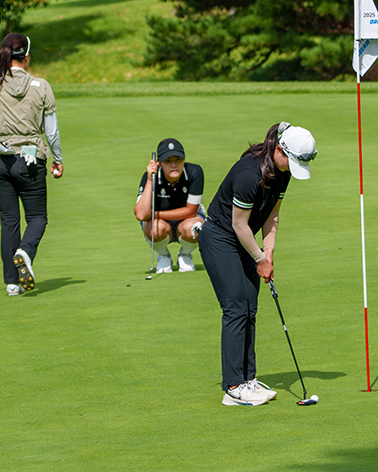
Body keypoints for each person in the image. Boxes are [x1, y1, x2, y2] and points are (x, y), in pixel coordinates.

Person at [199, 121, 317, 406]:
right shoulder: (249, 174)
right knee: (235, 308)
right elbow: (238, 225)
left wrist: (269, 250)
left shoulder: (283, 172)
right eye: (291, 161)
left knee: (250, 307)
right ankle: (233, 388)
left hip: (246, 241)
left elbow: (272, 215)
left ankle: (248, 380)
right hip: (220, 237)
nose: (292, 168)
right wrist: (260, 259)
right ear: (279, 150)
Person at [0, 32, 64, 296]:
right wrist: (58, 158)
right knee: (37, 217)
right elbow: (51, 132)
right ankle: (25, 252)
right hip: (30, 158)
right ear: (26, 56)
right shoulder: (42, 86)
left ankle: (12, 284)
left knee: (9, 220)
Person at [134, 137, 205, 273]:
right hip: (161, 224)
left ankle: (185, 255)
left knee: (194, 227)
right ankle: (163, 256)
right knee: (154, 229)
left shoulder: (194, 172)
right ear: (159, 163)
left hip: (188, 219)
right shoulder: (151, 177)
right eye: (168, 161)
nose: (174, 165)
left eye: (178, 160)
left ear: (184, 158)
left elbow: (191, 211)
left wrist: (155, 214)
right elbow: (141, 215)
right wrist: (150, 179)